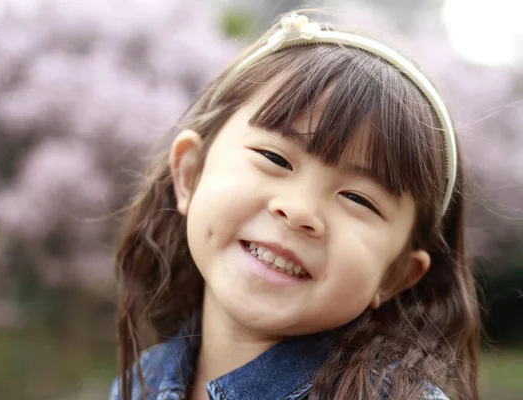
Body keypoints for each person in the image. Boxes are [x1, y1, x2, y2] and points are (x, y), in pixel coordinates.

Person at [109, 10, 479, 400]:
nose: (300, 210)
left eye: (357, 198)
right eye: (275, 158)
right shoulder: (139, 384)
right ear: (190, 174)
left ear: (395, 275)